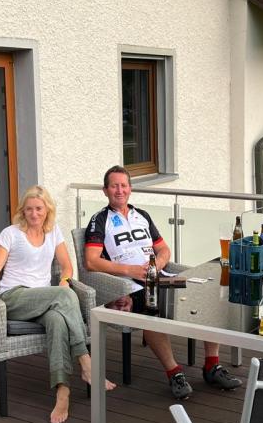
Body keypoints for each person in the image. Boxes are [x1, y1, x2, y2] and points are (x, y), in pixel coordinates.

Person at [84, 165, 242, 399]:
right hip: (129, 287)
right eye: (114, 186)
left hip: (161, 277)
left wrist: (156, 266)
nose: (120, 190)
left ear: (130, 189)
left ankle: (212, 365)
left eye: (124, 185)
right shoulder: (99, 220)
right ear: (105, 190)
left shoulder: (142, 216)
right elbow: (91, 262)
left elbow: (164, 250)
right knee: (152, 308)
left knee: (210, 294)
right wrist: (130, 270)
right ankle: (175, 373)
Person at [0, 185, 115, 423]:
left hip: (43, 300)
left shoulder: (53, 232)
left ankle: (62, 391)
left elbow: (67, 266)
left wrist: (64, 281)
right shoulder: (10, 234)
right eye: (29, 209)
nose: (34, 213)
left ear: (47, 209)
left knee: (57, 319)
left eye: (39, 208)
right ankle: (85, 360)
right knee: (65, 296)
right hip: (14, 297)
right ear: (23, 210)